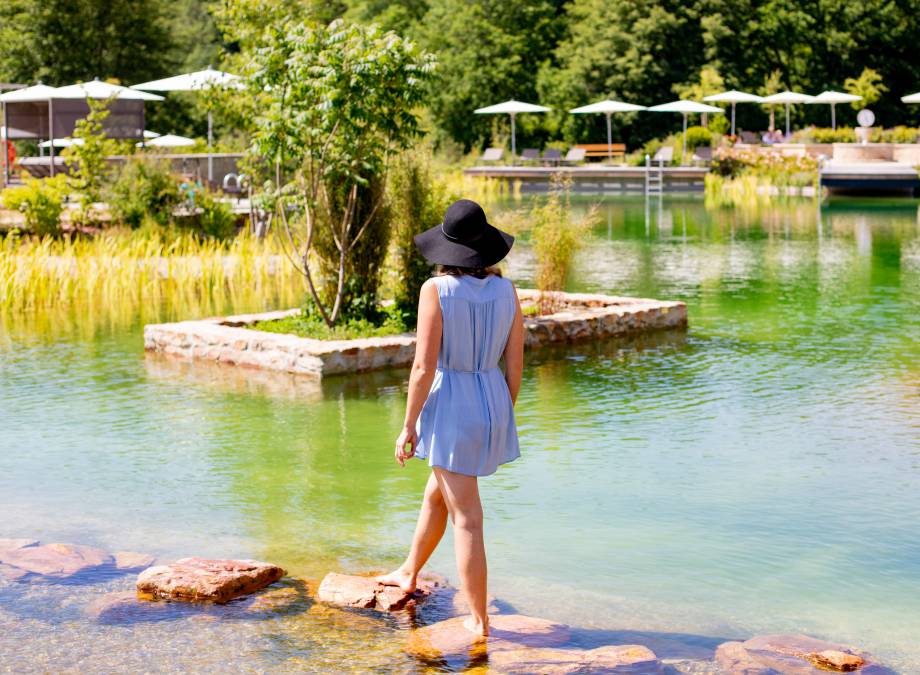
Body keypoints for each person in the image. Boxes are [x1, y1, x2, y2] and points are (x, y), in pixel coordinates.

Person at [377, 199, 524, 637]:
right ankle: (409, 570)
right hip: (492, 400)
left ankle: (479, 621)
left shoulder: (435, 290)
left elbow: (423, 367)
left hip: (453, 405)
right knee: (436, 494)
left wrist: (408, 424)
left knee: (468, 519)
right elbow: (515, 363)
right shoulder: (508, 290)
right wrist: (501, 411)